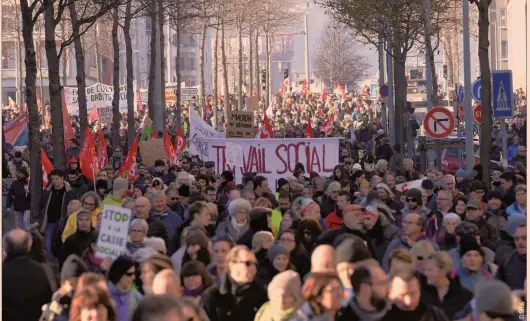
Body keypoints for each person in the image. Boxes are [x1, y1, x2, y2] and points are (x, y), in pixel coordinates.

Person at [201, 245, 268, 321]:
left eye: (255, 264)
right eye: (248, 263)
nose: (253, 268)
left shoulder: (261, 294)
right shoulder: (211, 296)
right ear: (231, 264)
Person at [3, 229, 55, 321]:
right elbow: (51, 300)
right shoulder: (43, 270)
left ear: (5, 247)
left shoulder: (3, 272)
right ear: (29, 246)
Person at [38, 169, 77, 262]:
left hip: (63, 221)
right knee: (47, 243)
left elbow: (74, 204)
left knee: (62, 242)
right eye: (53, 179)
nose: (54, 181)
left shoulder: (69, 192)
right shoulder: (48, 190)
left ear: (62, 178)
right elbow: (41, 204)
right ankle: (51, 263)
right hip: (50, 221)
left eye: (56, 178)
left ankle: (61, 261)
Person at [421, 251, 473, 319]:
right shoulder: (422, 295)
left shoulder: (465, 296)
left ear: (443, 270)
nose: (425, 273)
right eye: (425, 270)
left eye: (430, 270)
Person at [385, 267, 449, 321]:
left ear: (419, 290)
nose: (408, 301)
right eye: (402, 295)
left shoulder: (436, 315)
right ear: (390, 293)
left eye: (413, 293)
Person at [495, 223, 526, 290]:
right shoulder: (506, 260)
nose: (520, 242)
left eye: (525, 238)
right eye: (517, 239)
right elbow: (497, 288)